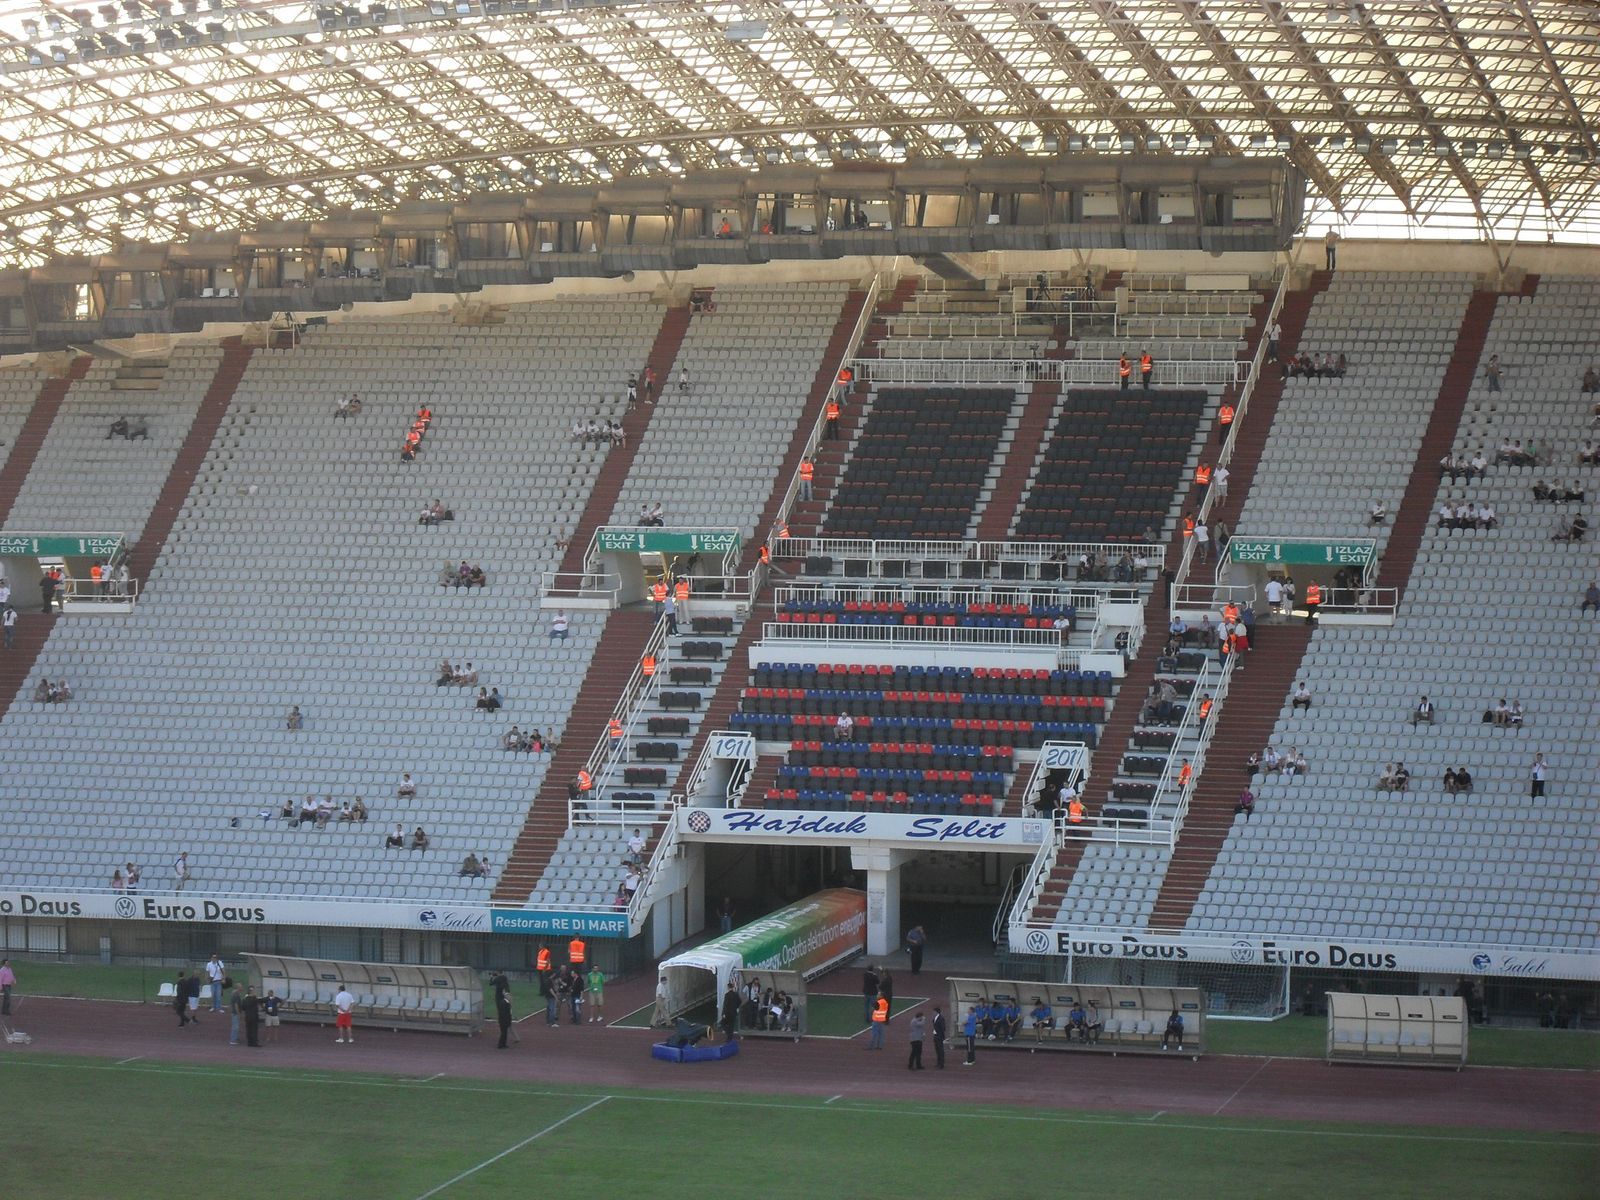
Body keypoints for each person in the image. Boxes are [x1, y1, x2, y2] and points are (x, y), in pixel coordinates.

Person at [492, 970, 514, 1049]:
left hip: (503, 1019)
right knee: (504, 1032)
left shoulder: (503, 1001)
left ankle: (503, 1044)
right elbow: (505, 1013)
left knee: (504, 1032)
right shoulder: (505, 1002)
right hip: (504, 1019)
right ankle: (501, 1045)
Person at [931, 1005, 946, 1069]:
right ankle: (938, 1063)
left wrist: (939, 1034)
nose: (932, 1013)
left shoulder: (941, 1018)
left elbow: (943, 1028)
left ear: (936, 1012)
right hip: (936, 1036)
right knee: (937, 1050)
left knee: (940, 1050)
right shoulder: (935, 1018)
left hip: (939, 1036)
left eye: (933, 1011)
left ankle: (941, 1064)